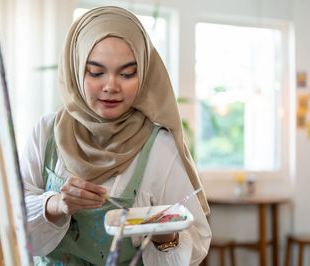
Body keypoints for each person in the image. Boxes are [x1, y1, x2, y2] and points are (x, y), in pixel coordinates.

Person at [21, 6, 211, 266]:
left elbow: (196, 245)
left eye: (127, 73)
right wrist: (55, 205)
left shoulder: (158, 147)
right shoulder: (45, 132)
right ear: (76, 70)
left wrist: (166, 235)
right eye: (96, 72)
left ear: (143, 74)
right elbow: (10, 221)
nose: (111, 86)